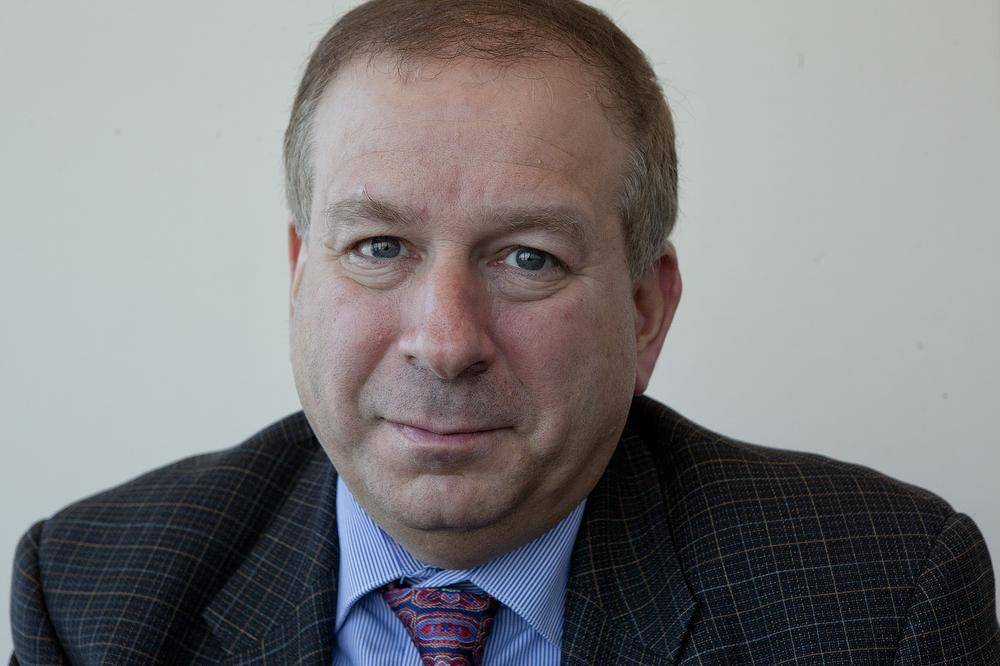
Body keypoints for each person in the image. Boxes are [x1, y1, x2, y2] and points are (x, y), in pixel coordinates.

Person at [10, 0, 999, 663]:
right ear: (299, 275)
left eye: (528, 258)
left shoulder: (879, 599)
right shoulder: (94, 596)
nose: (445, 344)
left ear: (645, 312)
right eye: (380, 246)